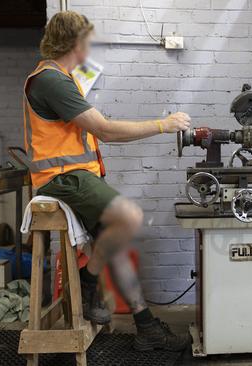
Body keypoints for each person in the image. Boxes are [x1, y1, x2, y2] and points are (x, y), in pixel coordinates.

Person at [22, 11, 191, 351]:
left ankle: (146, 329)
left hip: (77, 176)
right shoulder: (51, 80)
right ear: (75, 42)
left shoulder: (63, 77)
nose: (91, 45)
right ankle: (87, 280)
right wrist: (163, 124)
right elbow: (106, 130)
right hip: (62, 179)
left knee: (114, 243)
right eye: (88, 39)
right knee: (128, 217)